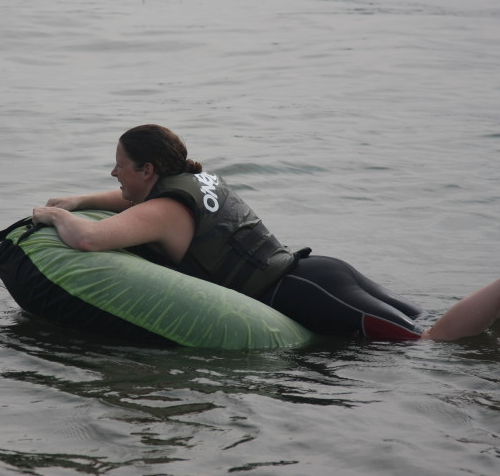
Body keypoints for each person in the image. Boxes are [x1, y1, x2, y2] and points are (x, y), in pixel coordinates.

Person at [31, 124, 500, 341]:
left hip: (298, 292)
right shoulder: (189, 181)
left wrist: (51, 215)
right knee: (430, 319)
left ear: (148, 168)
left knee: (431, 343)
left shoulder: (164, 210)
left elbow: (88, 240)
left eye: (119, 165)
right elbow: (129, 201)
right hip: (320, 271)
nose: (113, 173)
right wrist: (78, 200)